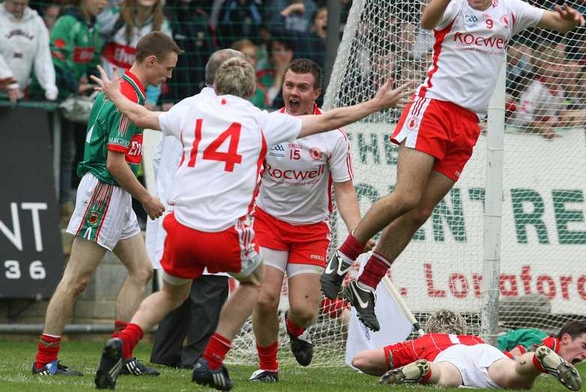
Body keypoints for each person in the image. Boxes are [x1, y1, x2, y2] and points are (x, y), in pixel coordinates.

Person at [90, 56, 411, 390]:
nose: (294, 92)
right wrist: (376, 104)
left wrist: (115, 94)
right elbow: (331, 118)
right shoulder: (261, 121)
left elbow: (141, 115)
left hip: (182, 225)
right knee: (258, 288)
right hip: (230, 228)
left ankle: (124, 341)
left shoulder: (190, 110)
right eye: (290, 85)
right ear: (253, 89)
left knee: (172, 295)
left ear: (214, 85)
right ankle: (215, 360)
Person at [320, 0, 586, 332]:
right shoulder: (455, 5)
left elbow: (554, 23)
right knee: (406, 196)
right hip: (434, 109)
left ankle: (366, 283)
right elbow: (429, 19)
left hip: (467, 124)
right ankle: (342, 260)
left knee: (420, 211)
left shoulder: (509, 11)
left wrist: (568, 21)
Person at [31, 32, 180, 376]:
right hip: (106, 189)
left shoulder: (124, 88)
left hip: (116, 193)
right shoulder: (127, 96)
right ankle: (44, 360)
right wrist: (147, 198)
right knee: (76, 279)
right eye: (168, 69)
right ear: (151, 61)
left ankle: (121, 354)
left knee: (141, 270)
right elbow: (115, 162)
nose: (169, 76)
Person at [249, 59, 374, 383]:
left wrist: (357, 231)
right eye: (289, 85)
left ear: (316, 93)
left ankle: (294, 329)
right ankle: (267, 367)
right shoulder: (268, 125)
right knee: (264, 297)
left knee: (305, 311)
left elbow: (345, 191)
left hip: (310, 231)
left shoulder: (332, 136)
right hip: (267, 224)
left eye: (302, 87)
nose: (293, 92)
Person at [148, 50, 243, 369]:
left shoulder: (182, 108)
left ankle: (164, 353)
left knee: (177, 289)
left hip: (170, 212)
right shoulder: (223, 115)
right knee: (210, 287)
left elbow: (159, 159)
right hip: (203, 212)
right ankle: (199, 357)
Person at [29, 0, 109, 226]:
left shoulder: (92, 27)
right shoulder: (67, 23)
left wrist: (90, 83)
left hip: (75, 95)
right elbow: (55, 58)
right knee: (60, 150)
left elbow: (88, 61)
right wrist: (74, 85)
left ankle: (67, 203)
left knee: (72, 150)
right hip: (52, 95)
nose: (103, 2)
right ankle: (58, 205)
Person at [353, 309, 582, 391]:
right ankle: (536, 361)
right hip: (485, 351)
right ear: (461, 327)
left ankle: (424, 370)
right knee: (514, 374)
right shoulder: (472, 338)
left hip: (447, 358)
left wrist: (395, 363)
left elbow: (361, 361)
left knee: (444, 375)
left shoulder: (424, 341)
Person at [99, 0, 171, 109]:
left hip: (137, 98)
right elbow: (95, 37)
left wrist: (151, 99)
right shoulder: (116, 16)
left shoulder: (162, 26)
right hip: (107, 92)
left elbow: (161, 64)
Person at [0, 0, 57, 103]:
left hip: (20, 91)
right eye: (15, 3)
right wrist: (9, 80)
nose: (19, 8)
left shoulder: (36, 22)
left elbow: (43, 57)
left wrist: (49, 85)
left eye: (23, 4)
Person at [497, 321, 586, 364]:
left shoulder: (550, 356)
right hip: (484, 346)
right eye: (584, 346)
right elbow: (508, 362)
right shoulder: (541, 342)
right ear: (566, 339)